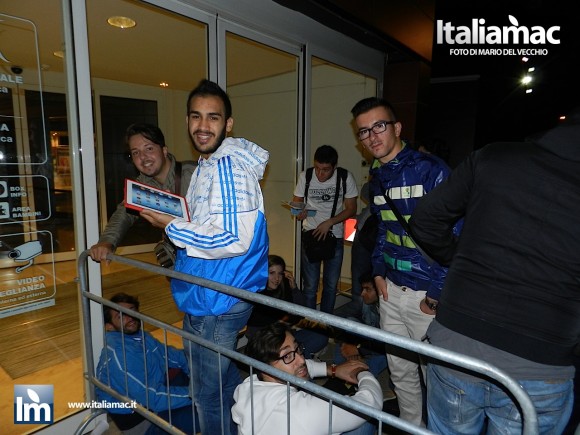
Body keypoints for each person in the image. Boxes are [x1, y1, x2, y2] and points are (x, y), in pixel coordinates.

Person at [409, 109, 580, 434]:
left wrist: (461, 258)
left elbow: (425, 221)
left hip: (456, 346)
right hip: (540, 363)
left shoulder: (496, 158)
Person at [140, 79, 269, 435]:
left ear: (228, 124)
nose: (202, 126)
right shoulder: (207, 165)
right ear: (186, 121)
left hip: (217, 298)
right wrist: (175, 217)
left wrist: (170, 225)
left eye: (213, 118)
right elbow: (207, 221)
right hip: (212, 292)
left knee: (205, 394)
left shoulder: (228, 168)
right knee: (222, 382)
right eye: (196, 116)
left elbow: (232, 238)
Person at [351, 97, 454, 426]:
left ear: (397, 128)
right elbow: (384, 227)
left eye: (379, 126)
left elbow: (455, 237)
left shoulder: (431, 170)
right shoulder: (378, 176)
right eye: (364, 131)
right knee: (401, 374)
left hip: (426, 296)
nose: (372, 136)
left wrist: (435, 294)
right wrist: (378, 272)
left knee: (436, 379)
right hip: (390, 292)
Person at [232, 323, 383, 435]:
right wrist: (362, 371)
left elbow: (305, 366)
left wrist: (333, 370)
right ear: (266, 368)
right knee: (365, 424)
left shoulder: (251, 384)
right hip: (303, 418)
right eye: (287, 356)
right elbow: (370, 404)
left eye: (297, 349)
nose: (301, 359)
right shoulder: (300, 412)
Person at [89, 123, 196, 264]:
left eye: (149, 149)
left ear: (164, 151)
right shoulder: (143, 184)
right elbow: (124, 213)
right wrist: (107, 242)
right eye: (135, 153)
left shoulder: (194, 174)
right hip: (181, 263)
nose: (143, 157)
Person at [96, 293, 196, 434]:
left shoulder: (141, 336)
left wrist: (198, 375)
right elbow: (153, 398)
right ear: (109, 326)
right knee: (209, 412)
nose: (130, 317)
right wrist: (198, 394)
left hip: (153, 395)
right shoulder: (120, 355)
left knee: (207, 376)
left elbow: (173, 356)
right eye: (121, 316)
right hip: (143, 421)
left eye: (131, 310)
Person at [292, 145, 358, 314]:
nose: (320, 174)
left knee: (330, 285)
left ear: (334, 167)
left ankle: (326, 323)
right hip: (311, 235)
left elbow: (351, 208)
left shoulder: (344, 177)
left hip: (333, 236)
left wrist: (329, 222)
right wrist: (300, 212)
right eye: (318, 168)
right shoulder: (305, 176)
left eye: (326, 170)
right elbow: (296, 203)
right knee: (310, 285)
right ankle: (309, 323)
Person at [246, 254, 329, 358]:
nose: (277, 278)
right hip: (265, 339)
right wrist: (281, 322)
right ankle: (299, 357)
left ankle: (294, 357)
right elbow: (254, 324)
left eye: (280, 274)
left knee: (322, 335)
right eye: (271, 273)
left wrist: (294, 289)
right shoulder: (255, 290)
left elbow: (300, 312)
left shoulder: (284, 286)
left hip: (286, 335)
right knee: (278, 353)